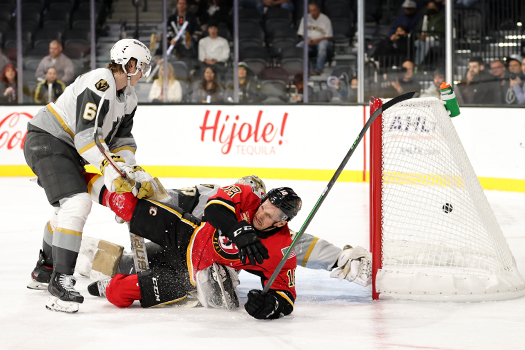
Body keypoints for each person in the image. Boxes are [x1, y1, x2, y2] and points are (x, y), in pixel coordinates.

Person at [24, 39, 155, 314]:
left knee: (66, 212)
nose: (144, 71)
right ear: (129, 64)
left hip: (67, 148)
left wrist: (128, 169)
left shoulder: (128, 96)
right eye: (141, 66)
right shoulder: (101, 83)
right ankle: (60, 285)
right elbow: (86, 139)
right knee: (77, 203)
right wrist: (113, 170)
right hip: (48, 140)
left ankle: (45, 270)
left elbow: (122, 140)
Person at [76, 174, 371, 283]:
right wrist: (141, 206)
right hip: (182, 244)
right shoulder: (213, 196)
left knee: (147, 272)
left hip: (204, 265)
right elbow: (174, 200)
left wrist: (338, 258)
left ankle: (112, 268)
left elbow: (299, 245)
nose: (259, 211)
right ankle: (80, 259)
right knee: (138, 263)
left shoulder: (269, 227)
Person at [91, 180, 302, 319]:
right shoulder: (247, 196)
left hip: (193, 280)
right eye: (264, 206)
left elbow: (285, 296)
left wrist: (269, 306)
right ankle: (79, 178)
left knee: (116, 293)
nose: (261, 214)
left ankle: (115, 280)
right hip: (188, 235)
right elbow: (213, 209)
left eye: (270, 215)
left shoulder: (283, 248)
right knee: (126, 204)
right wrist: (237, 230)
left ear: (281, 222)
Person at [297, 1, 333, 76]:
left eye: (314, 10)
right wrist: (307, 39)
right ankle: (310, 69)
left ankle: (318, 69)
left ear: (318, 10)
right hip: (309, 41)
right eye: (311, 11)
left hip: (321, 41)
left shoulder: (325, 19)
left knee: (323, 46)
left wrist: (317, 40)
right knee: (299, 47)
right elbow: (301, 34)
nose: (312, 12)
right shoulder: (305, 18)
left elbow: (329, 36)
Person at [413, 0, 445, 66]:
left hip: (437, 40)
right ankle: (415, 63)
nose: (431, 8)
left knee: (426, 44)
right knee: (417, 43)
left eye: (432, 6)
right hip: (423, 40)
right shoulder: (424, 18)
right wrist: (420, 36)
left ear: (436, 7)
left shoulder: (441, 18)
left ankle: (418, 64)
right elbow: (418, 30)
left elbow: (440, 32)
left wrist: (428, 35)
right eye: (429, 6)